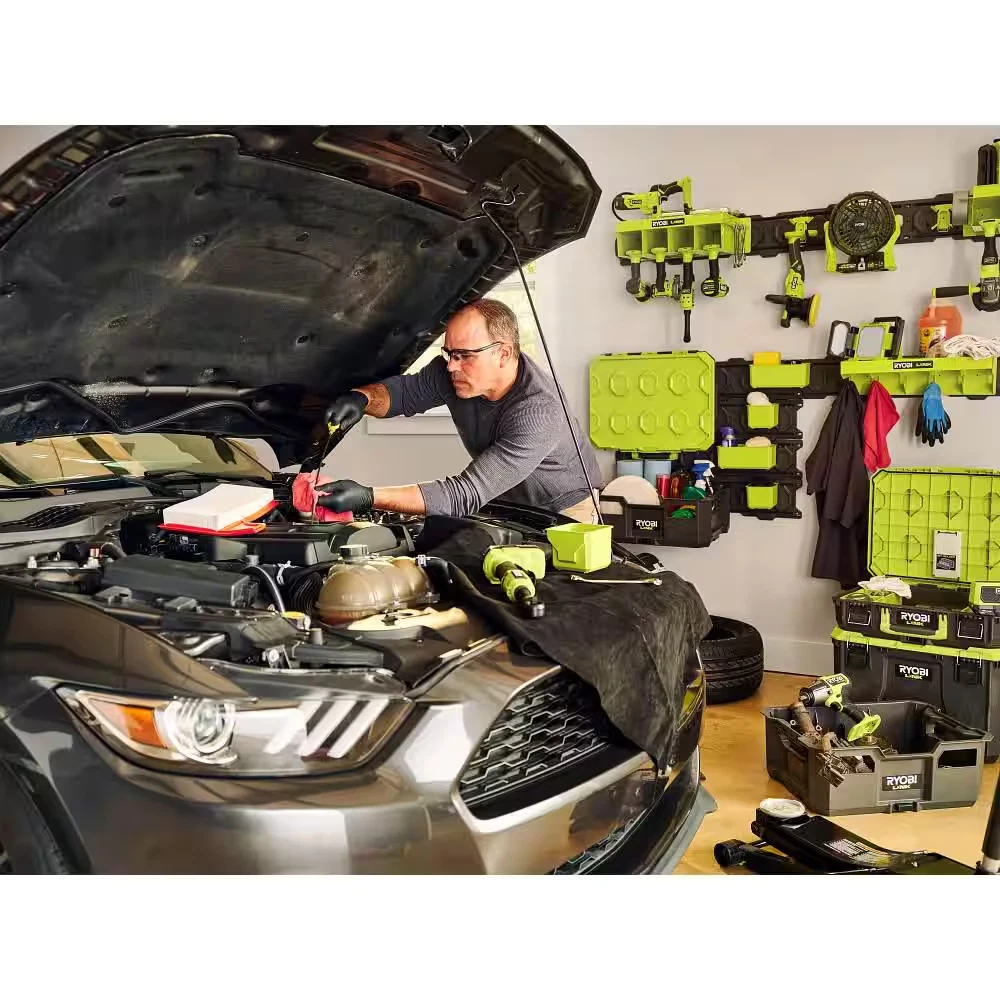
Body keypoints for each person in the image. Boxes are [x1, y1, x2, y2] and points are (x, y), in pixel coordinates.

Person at [313, 299, 603, 522]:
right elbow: (402, 394)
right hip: (505, 500)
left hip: (565, 510)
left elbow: (465, 493)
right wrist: (362, 398)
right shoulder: (454, 374)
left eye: (464, 355)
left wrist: (368, 496)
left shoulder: (539, 412)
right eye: (449, 353)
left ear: (503, 353)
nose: (452, 366)